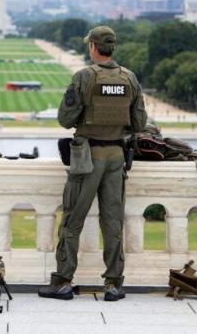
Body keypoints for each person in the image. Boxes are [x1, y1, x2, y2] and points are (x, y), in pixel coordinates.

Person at [38, 26, 147, 302]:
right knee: (112, 223)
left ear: (94, 48)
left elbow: (65, 118)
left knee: (72, 220)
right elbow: (139, 123)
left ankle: (63, 280)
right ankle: (113, 284)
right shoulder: (129, 78)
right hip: (116, 157)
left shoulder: (84, 77)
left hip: (87, 158)